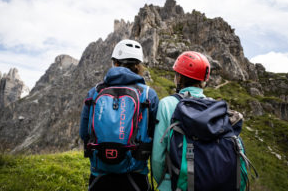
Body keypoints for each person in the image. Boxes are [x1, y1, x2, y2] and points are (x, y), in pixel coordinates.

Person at [152, 51, 248, 191]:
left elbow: (157, 158)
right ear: (204, 80)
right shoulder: (217, 108)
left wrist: (164, 183)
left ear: (178, 77)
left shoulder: (167, 104)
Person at [79, 39, 159, 191]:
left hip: (100, 175)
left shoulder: (94, 92)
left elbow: (84, 133)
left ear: (115, 62)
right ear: (138, 65)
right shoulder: (149, 94)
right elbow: (155, 135)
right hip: (135, 176)